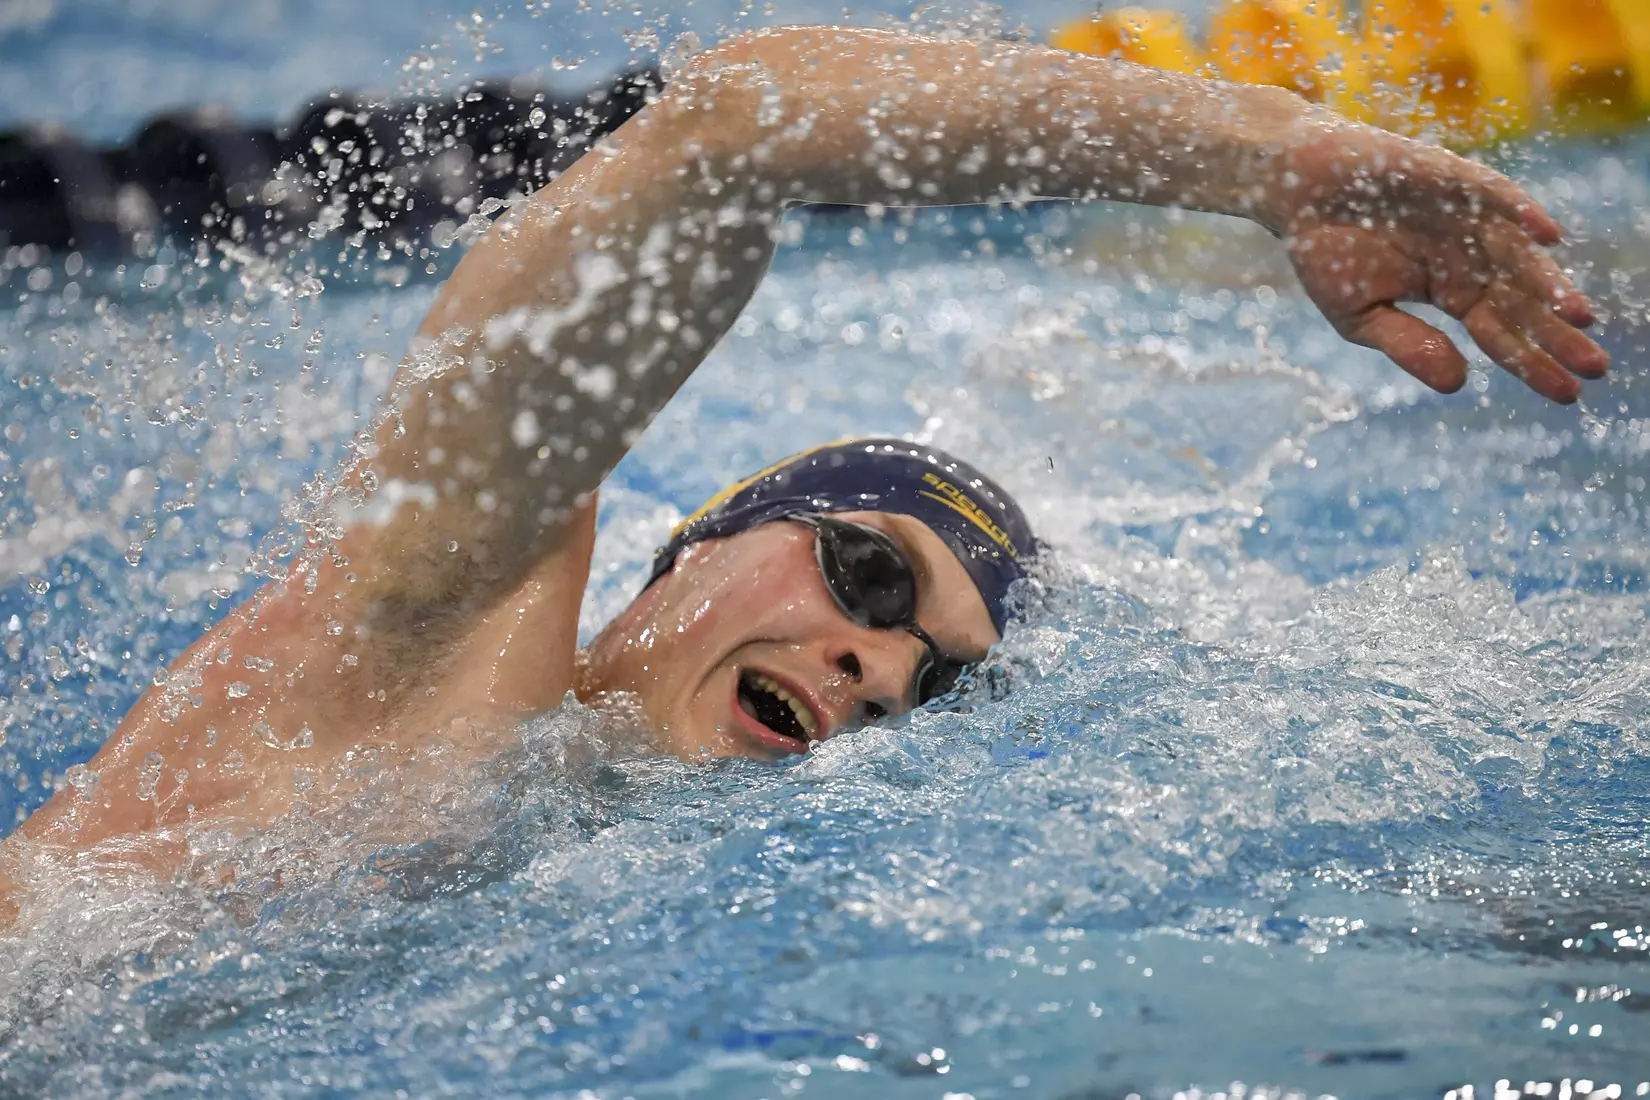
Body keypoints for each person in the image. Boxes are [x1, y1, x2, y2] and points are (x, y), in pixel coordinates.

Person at [2, 26, 1608, 888]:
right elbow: (729, 129)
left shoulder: (597, 876)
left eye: (936, 679)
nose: (880, 669)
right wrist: (1264, 160)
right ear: (700, 537)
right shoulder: (430, 638)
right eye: (867, 576)